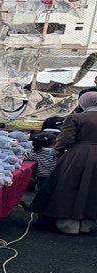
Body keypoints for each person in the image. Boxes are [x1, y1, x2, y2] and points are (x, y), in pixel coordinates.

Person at [30, 92, 97, 234]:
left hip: (79, 154)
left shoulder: (76, 117)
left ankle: (68, 224)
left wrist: (56, 151)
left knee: (68, 187)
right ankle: (86, 224)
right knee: (91, 188)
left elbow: (66, 138)